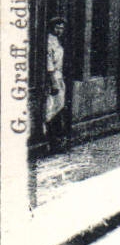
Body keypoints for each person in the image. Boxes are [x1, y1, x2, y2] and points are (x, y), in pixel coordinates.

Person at [44, 17, 67, 153]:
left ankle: (57, 140)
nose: (60, 30)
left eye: (61, 28)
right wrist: (53, 81)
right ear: (51, 27)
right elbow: (49, 63)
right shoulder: (48, 41)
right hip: (52, 78)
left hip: (59, 76)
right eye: (57, 27)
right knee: (51, 108)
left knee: (58, 107)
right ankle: (51, 141)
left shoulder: (57, 41)